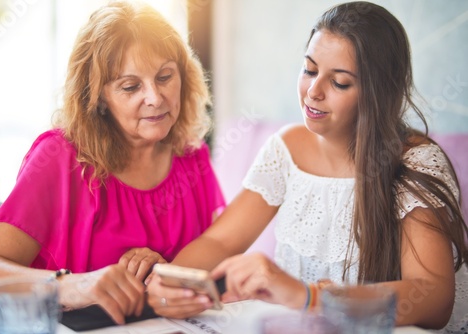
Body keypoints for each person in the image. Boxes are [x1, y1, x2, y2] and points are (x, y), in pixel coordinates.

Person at [146, 1, 468, 332]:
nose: (313, 92)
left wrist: (308, 296)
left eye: (339, 82)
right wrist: (169, 281)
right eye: (310, 70)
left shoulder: (416, 162)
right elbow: (221, 243)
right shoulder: (286, 149)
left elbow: (432, 297)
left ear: (378, 93)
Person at [0, 0, 225, 325]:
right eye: (131, 86)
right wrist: (73, 284)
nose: (155, 98)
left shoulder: (192, 154)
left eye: (165, 77)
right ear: (98, 95)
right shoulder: (58, 158)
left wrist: (167, 270)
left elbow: (219, 260)